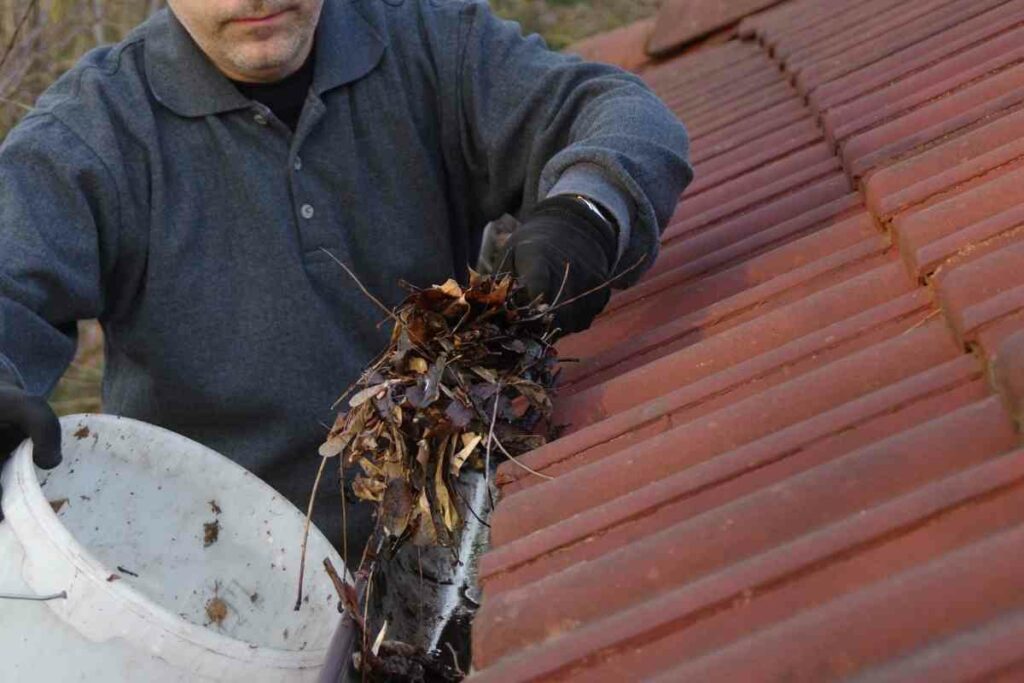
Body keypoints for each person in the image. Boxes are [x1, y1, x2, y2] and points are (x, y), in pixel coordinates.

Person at [0, 0, 692, 554]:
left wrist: (586, 212)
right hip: (213, 582)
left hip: (451, 545)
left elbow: (623, 114)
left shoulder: (429, 42)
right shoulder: (95, 131)